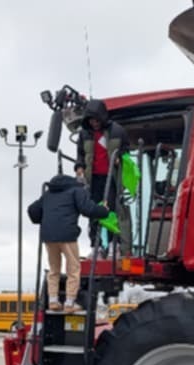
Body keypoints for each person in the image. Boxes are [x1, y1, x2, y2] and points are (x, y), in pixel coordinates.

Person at [28, 173, 109, 313]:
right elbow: (87, 209)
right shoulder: (76, 190)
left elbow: (32, 210)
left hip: (48, 236)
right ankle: (69, 303)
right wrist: (104, 211)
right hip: (67, 235)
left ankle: (53, 301)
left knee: (54, 269)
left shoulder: (48, 194)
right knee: (73, 268)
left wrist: (43, 218)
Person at [74, 98, 130, 250]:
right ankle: (95, 245)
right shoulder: (84, 134)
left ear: (102, 117)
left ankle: (113, 243)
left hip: (111, 177)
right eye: (91, 120)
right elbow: (80, 154)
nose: (94, 123)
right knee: (93, 210)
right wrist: (79, 167)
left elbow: (126, 149)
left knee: (111, 209)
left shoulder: (118, 131)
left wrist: (120, 158)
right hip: (93, 178)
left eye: (96, 120)